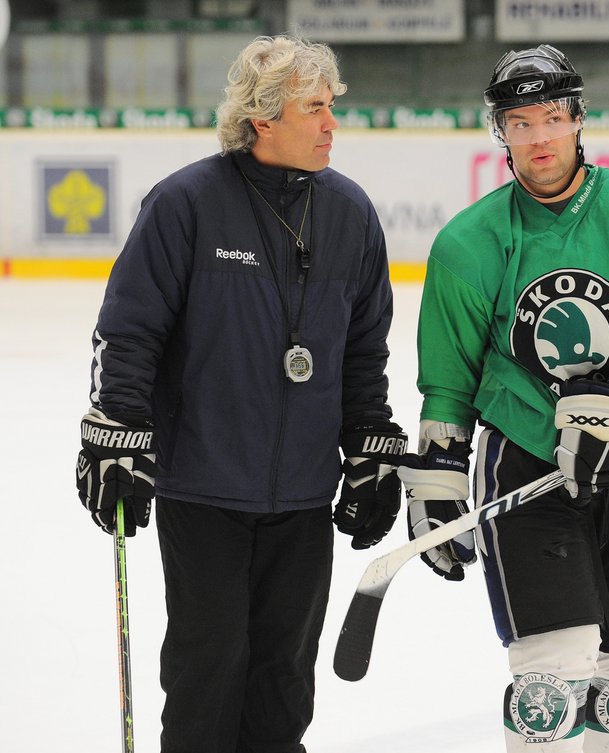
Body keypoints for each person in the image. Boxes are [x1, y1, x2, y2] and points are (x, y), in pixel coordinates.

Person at [74, 35, 406, 753]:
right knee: (207, 671)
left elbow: (363, 349)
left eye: (330, 107)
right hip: (205, 489)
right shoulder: (185, 204)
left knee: (284, 682)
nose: (330, 123)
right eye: (314, 108)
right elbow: (128, 331)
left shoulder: (349, 214)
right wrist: (117, 425)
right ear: (263, 118)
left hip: (303, 498)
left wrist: (372, 443)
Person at [397, 44, 609, 751]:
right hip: (526, 463)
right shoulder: (468, 244)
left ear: (577, 119)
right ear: (498, 131)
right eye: (519, 122)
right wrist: (442, 465)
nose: (538, 137)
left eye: (552, 118)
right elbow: (448, 378)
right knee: (550, 682)